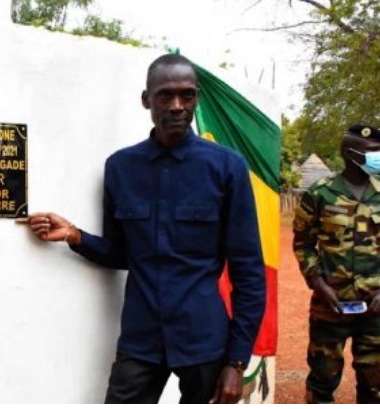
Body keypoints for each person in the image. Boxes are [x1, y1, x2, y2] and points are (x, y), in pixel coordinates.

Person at [19, 54, 266, 404]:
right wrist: (74, 235)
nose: (177, 106)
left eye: (187, 95)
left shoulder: (226, 167)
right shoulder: (121, 167)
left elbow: (249, 272)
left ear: (196, 98)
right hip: (141, 338)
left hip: (204, 340)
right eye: (165, 95)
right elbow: (121, 253)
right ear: (146, 100)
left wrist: (237, 362)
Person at [293, 124, 380, 404]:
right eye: (373, 152)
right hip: (330, 308)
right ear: (349, 153)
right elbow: (302, 243)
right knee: (322, 383)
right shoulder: (320, 193)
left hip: (376, 310)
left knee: (375, 385)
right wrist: (318, 282)